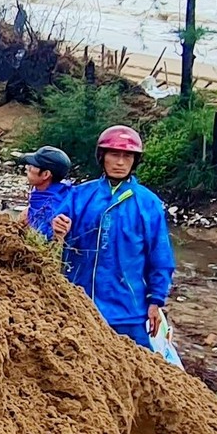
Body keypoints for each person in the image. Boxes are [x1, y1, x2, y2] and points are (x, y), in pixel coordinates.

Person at [46, 125, 176, 349]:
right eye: (114, 154)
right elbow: (48, 238)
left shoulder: (148, 203)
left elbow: (160, 257)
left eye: (127, 156)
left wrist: (156, 301)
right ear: (102, 157)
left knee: (135, 371)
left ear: (135, 161)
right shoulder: (80, 196)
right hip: (79, 305)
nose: (120, 162)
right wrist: (56, 230)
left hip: (128, 311)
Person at [18, 146, 74, 239]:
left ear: (46, 174)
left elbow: (44, 238)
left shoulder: (53, 208)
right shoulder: (46, 191)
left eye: (32, 166)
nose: (27, 168)